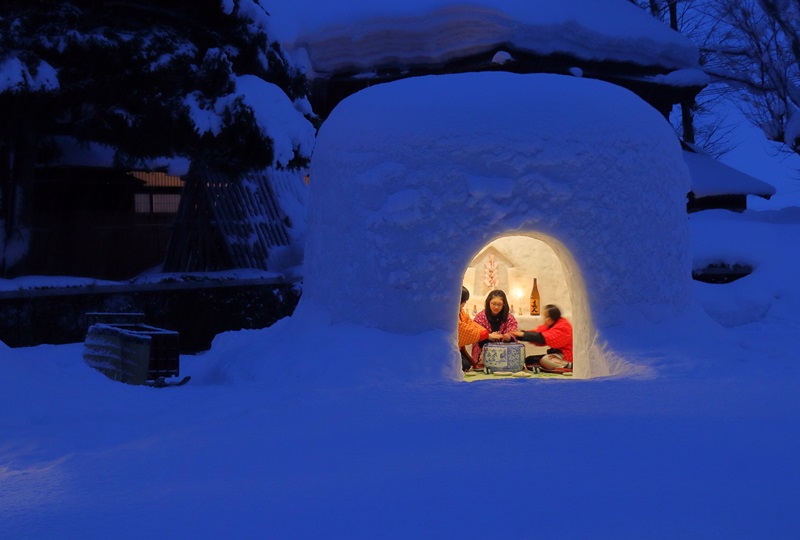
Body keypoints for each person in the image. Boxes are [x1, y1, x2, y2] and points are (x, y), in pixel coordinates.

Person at [513, 304, 573, 372]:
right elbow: (537, 332)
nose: (544, 319)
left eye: (546, 317)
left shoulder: (563, 326)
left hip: (565, 356)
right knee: (529, 360)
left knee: (546, 359)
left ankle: (569, 366)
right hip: (555, 356)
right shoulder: (551, 325)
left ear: (553, 317)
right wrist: (518, 335)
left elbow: (541, 337)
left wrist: (522, 334)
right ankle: (553, 368)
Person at [471, 289, 518, 369]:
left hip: (504, 352)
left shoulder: (509, 317)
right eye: (493, 304)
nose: (496, 307)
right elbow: (475, 334)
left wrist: (508, 337)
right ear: (488, 303)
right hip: (484, 350)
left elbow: (513, 332)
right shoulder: (480, 317)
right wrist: (488, 336)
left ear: (504, 305)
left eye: (499, 304)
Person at [457, 286, 489, 371]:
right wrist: (484, 335)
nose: (496, 307)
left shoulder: (460, 311)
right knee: (465, 365)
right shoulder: (451, 311)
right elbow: (462, 329)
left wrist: (484, 332)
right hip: (449, 349)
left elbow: (469, 322)